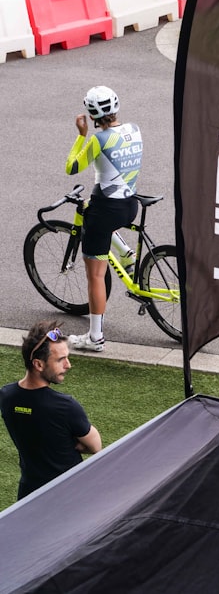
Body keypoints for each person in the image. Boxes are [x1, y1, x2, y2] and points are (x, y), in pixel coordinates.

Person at [65, 86, 144, 352]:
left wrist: (81, 136)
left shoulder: (99, 140)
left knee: (95, 276)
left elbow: (72, 167)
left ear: (91, 113)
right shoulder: (134, 129)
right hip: (130, 205)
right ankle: (128, 255)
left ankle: (95, 337)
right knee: (101, 223)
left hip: (105, 211)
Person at [0, 322, 102, 500]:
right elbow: (95, 446)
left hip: (28, 495)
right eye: (60, 360)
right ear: (38, 364)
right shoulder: (65, 406)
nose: (68, 365)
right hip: (69, 495)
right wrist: (70, 444)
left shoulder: (6, 396)